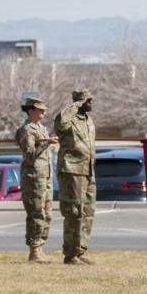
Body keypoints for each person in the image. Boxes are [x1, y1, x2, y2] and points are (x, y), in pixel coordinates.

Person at [54, 89, 97, 266]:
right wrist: (75, 105)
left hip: (88, 170)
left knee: (87, 212)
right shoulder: (68, 117)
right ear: (80, 101)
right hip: (72, 169)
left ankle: (80, 251)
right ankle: (70, 254)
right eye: (89, 100)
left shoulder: (87, 119)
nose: (92, 103)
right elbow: (60, 122)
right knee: (74, 212)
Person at [15, 98, 58, 264]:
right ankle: (34, 250)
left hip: (44, 177)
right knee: (36, 213)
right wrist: (46, 144)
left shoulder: (41, 128)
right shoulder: (26, 130)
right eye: (40, 110)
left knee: (47, 214)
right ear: (30, 111)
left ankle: (40, 248)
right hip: (33, 177)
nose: (43, 113)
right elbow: (30, 154)